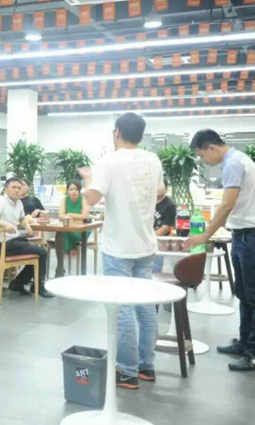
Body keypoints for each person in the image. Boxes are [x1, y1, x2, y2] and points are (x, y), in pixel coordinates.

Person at [78, 112, 163, 390]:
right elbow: (160, 191)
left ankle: (126, 371)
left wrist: (88, 178)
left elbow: (92, 198)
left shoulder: (110, 161)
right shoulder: (153, 159)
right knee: (145, 305)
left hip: (119, 246)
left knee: (122, 307)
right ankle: (146, 366)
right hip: (146, 244)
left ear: (116, 132)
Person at [186, 129, 255, 372]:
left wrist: (205, 235)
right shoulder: (235, 161)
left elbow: (227, 205)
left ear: (211, 147)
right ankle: (246, 343)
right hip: (244, 234)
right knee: (244, 293)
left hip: (254, 235)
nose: (203, 161)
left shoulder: (233, 163)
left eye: (201, 155)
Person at [0, 177, 54, 298]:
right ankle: (37, 287)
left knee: (38, 251)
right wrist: (5, 225)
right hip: (3, 243)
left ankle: (18, 283)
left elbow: (22, 218)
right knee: (41, 252)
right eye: (14, 187)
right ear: (6, 189)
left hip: (14, 241)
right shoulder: (1, 201)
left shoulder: (19, 203)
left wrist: (27, 225)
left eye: (19, 187)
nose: (17, 190)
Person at [53, 180, 90, 278]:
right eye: (71, 189)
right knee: (59, 233)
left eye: (76, 189)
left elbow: (84, 216)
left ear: (79, 191)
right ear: (67, 191)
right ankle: (60, 267)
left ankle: (60, 269)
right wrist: (70, 216)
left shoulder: (83, 199)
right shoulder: (65, 199)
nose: (73, 191)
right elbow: (61, 215)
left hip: (81, 230)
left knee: (62, 235)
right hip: (67, 228)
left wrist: (69, 214)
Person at [153, 179, 177, 273]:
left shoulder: (170, 205)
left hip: (160, 242)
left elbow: (166, 227)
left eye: (160, 185)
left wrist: (151, 237)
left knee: (155, 269)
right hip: (144, 240)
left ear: (166, 189)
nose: (157, 188)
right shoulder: (147, 201)